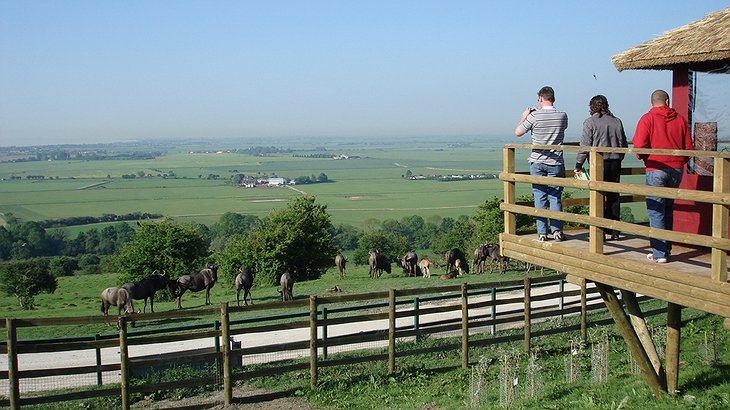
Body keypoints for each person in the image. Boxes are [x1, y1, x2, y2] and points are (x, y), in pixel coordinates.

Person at [632, 89, 694, 263]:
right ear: (667, 101)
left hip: (656, 167)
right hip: (676, 169)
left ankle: (659, 253)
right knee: (668, 208)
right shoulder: (680, 119)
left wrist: (646, 159)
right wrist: (679, 161)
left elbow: (639, 145)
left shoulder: (647, 119)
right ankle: (666, 249)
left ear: (651, 102)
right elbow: (689, 147)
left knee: (656, 209)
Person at [515, 86, 569, 242]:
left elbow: (518, 132)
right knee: (555, 197)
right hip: (556, 161)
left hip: (537, 160)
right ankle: (557, 231)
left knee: (540, 197)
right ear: (553, 98)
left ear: (540, 98)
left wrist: (525, 116)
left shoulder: (534, 116)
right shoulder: (562, 116)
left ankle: (542, 233)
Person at [575, 95, 628, 240]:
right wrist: (619, 157)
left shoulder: (590, 122)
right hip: (616, 162)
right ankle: (615, 230)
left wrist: (579, 164)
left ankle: (599, 232)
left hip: (598, 163)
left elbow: (585, 145)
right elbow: (623, 144)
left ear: (592, 106)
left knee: (597, 195)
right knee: (614, 196)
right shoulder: (617, 121)